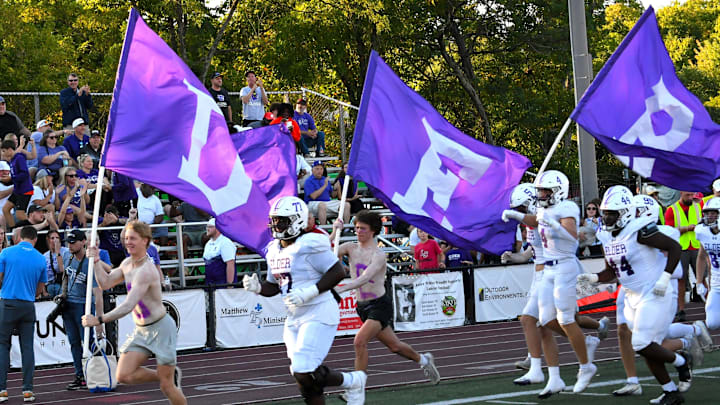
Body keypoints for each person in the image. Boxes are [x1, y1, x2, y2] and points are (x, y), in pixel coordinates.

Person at [242, 196, 366, 405]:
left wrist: (310, 291)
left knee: (303, 368)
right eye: (274, 220)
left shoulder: (310, 243)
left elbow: (337, 271)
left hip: (318, 311)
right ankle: (353, 381)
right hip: (293, 318)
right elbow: (274, 285)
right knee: (305, 376)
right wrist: (258, 288)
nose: (276, 225)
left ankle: (354, 381)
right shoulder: (273, 249)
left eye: (282, 220)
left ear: (297, 220)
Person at [579, 185, 688, 405]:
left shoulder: (639, 230)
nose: (606, 218)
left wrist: (665, 277)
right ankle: (670, 391)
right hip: (631, 295)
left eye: (611, 213)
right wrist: (593, 278)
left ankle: (681, 361)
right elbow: (612, 271)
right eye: (605, 213)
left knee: (640, 342)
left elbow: (674, 248)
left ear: (625, 212)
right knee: (648, 347)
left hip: (653, 292)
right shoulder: (608, 237)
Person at [502, 170, 595, 395]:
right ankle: (553, 376)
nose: (541, 194)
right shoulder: (544, 210)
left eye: (545, 190)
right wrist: (517, 216)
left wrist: (554, 225)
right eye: (540, 191)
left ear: (557, 191)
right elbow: (535, 221)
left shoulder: (567, 208)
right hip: (549, 270)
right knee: (543, 321)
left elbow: (573, 236)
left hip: (564, 266)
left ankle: (585, 364)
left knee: (564, 318)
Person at [332, 212, 440, 402]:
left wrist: (341, 289)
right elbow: (326, 252)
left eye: (362, 229)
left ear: (373, 231)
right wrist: (334, 231)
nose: (358, 231)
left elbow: (366, 277)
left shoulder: (379, 254)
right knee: (395, 346)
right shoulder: (350, 247)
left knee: (359, 341)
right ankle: (424, 360)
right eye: (356, 228)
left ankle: (357, 389)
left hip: (379, 305)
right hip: (362, 307)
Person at [82, 221, 186, 405]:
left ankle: (167, 377)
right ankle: (167, 374)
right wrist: (96, 261)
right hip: (142, 331)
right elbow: (105, 283)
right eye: (126, 238)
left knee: (167, 386)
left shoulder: (146, 270)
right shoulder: (127, 263)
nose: (128, 242)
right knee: (123, 375)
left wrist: (99, 319)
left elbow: (128, 305)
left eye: (133, 239)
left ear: (145, 241)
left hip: (161, 330)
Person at [0, 226, 46, 403]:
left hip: (8, 303)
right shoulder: (40, 258)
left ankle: (2, 390)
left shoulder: (6, 252)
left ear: (20, 237)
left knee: (3, 346)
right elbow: (39, 291)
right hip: (28, 305)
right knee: (27, 348)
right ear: (34, 239)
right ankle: (27, 390)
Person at [56, 229, 104, 390]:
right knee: (74, 342)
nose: (70, 245)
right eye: (69, 242)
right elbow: (65, 278)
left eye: (73, 241)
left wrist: (99, 320)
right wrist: (62, 295)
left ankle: (100, 372)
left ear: (84, 242)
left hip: (83, 305)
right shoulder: (69, 258)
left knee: (88, 342)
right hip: (69, 305)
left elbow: (98, 294)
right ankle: (80, 375)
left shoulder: (90, 263)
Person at [664, 191, 702, 321]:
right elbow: (669, 231)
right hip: (681, 248)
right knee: (681, 280)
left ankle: (710, 306)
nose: (691, 198)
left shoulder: (698, 206)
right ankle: (681, 310)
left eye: (692, 195)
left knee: (702, 278)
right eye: (688, 195)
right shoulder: (671, 210)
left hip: (697, 246)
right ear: (681, 193)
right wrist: (686, 229)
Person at [694, 196, 720, 340]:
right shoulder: (703, 232)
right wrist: (699, 282)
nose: (710, 216)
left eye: (714, 213)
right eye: (708, 212)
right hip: (716, 283)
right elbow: (702, 256)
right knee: (712, 323)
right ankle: (695, 331)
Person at [304, 161, 351, 225]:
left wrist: (335, 189)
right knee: (322, 205)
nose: (319, 171)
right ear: (312, 170)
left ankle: (346, 228)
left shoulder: (325, 179)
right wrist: (324, 186)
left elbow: (332, 196)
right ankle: (324, 229)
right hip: (312, 203)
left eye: (321, 169)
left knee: (346, 205)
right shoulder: (308, 181)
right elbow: (313, 196)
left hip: (327, 202)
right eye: (317, 169)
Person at [1, 140, 33, 228]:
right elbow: (14, 178)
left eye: (4, 151)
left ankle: (33, 229)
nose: (2, 153)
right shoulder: (11, 161)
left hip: (25, 190)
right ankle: (14, 230)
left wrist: (11, 178)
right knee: (6, 209)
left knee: (20, 214)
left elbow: (25, 174)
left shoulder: (19, 158)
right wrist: (4, 180)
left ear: (10, 150)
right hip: (17, 190)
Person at [202, 218, 237, 285]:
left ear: (217, 228)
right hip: (210, 283)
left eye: (210, 227)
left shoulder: (225, 242)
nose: (207, 229)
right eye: (207, 227)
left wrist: (230, 284)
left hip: (222, 283)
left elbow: (230, 264)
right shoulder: (208, 243)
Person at [43, 229, 71, 297]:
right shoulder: (45, 256)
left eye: (57, 238)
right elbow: (42, 274)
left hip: (62, 284)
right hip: (50, 285)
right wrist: (44, 292)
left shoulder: (66, 252)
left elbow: (62, 269)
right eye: (52, 238)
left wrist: (57, 252)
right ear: (48, 240)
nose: (55, 240)